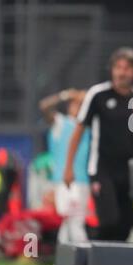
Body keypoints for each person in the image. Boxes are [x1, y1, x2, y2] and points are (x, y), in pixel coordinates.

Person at [64, 47, 133, 241]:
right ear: (112, 70)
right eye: (118, 67)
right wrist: (68, 168)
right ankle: (90, 250)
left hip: (128, 171)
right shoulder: (98, 94)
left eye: (127, 68)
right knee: (109, 219)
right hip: (101, 169)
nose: (121, 72)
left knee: (124, 226)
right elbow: (78, 132)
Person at [39, 89, 90, 243]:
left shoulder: (89, 125)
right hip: (62, 181)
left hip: (81, 182)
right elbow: (44, 106)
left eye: (80, 104)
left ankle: (82, 259)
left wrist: (85, 97)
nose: (75, 107)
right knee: (67, 222)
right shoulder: (61, 123)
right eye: (73, 104)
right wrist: (65, 95)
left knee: (75, 222)